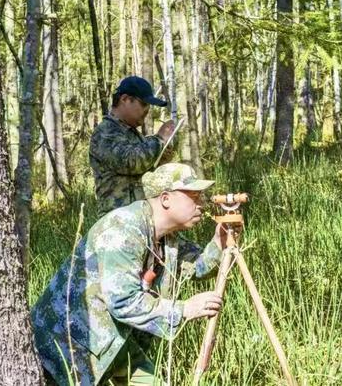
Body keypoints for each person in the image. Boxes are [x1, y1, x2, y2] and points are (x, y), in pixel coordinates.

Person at [31, 163, 228, 385]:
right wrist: (184, 310)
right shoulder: (123, 228)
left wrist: (220, 241)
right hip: (68, 346)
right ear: (165, 199)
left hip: (114, 342)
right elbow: (123, 302)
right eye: (194, 196)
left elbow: (198, 268)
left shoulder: (167, 238)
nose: (202, 204)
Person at [89, 76, 175, 217]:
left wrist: (162, 153)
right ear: (125, 99)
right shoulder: (105, 132)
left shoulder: (131, 133)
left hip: (139, 219)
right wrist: (159, 140)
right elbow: (131, 161)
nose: (147, 110)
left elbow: (147, 172)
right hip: (116, 221)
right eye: (144, 104)